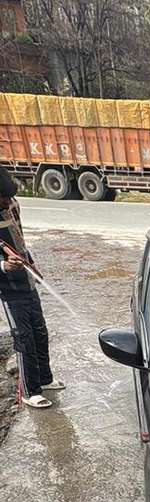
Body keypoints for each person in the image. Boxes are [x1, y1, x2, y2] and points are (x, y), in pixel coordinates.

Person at [0, 166, 64, 409]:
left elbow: (20, 240)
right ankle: (29, 390)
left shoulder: (12, 206)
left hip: (26, 281)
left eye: (10, 197)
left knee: (40, 331)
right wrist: (4, 265)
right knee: (23, 337)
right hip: (8, 289)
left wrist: (31, 264)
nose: (8, 202)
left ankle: (44, 379)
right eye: (4, 198)